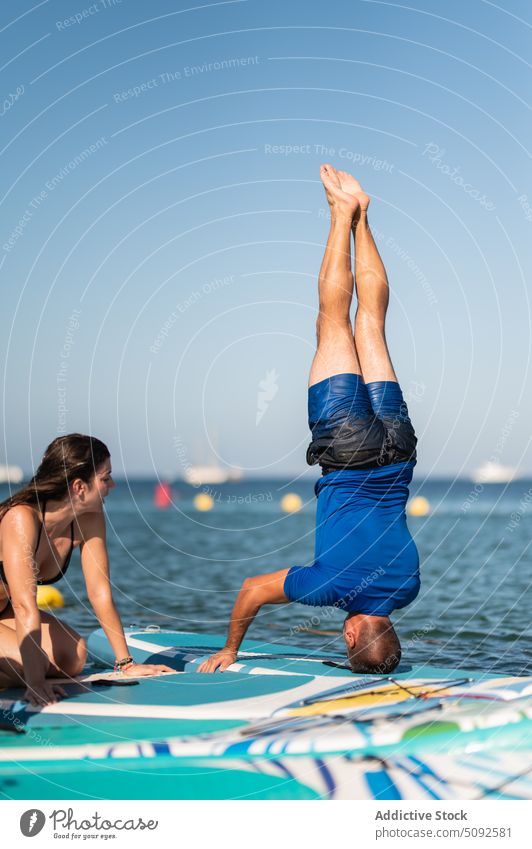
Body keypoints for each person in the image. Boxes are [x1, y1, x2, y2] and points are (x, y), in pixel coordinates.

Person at [199, 164, 420, 675]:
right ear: (349, 632)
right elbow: (252, 591)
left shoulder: (408, 587)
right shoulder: (331, 588)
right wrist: (230, 650)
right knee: (331, 323)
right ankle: (341, 215)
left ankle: (362, 216)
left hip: (398, 450)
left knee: (372, 323)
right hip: (346, 448)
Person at [0, 434, 173, 706]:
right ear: (80, 486)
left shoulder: (89, 517)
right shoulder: (21, 518)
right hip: (15, 608)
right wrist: (35, 683)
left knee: (76, 655)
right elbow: (24, 606)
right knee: (29, 665)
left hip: (4, 611)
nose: (112, 485)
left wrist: (126, 664)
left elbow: (99, 591)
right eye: (105, 478)